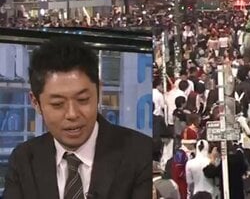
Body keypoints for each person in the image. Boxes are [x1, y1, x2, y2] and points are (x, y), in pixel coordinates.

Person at [4, 38, 152, 199]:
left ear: (99, 91)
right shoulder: (23, 160)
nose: (72, 114)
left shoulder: (141, 154)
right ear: (35, 102)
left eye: (83, 100)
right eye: (58, 104)